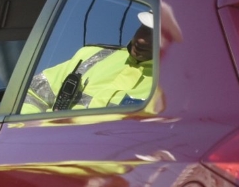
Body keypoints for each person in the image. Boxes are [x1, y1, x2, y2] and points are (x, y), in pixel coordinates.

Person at [22, 11, 154, 113]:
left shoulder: (169, 88)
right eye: (144, 28)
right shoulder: (92, 56)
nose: (142, 40)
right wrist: (28, 132)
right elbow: (31, 93)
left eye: (155, 35)